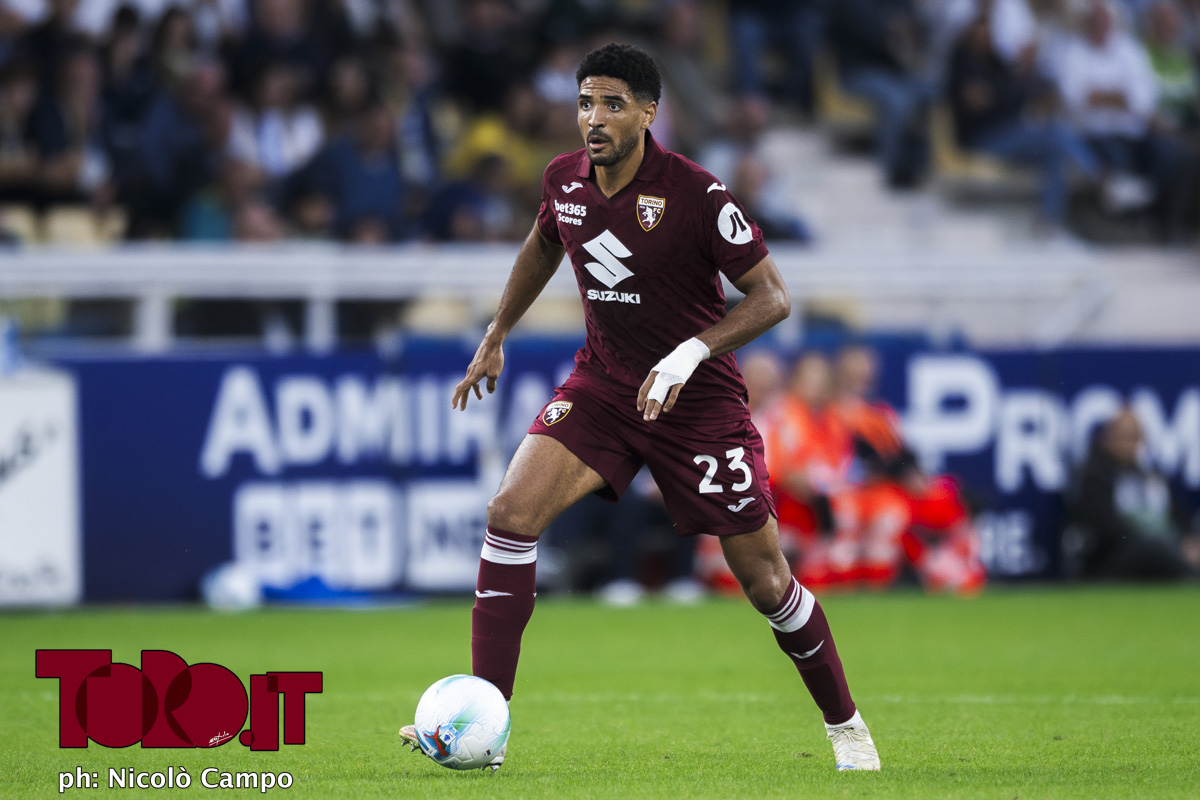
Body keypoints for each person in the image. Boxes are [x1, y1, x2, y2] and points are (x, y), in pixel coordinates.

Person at [400, 43, 880, 773]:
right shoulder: (563, 179)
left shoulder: (697, 193)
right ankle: (484, 726)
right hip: (604, 385)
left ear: (649, 112)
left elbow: (773, 297)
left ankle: (847, 727)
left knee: (766, 583)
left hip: (698, 404)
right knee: (510, 514)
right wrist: (496, 332)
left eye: (613, 104)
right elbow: (542, 246)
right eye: (585, 103)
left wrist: (690, 353)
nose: (594, 118)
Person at [1067, 407, 1200, 579]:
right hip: (1110, 558)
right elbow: (1109, 530)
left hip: (1160, 552)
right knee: (1151, 549)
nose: (1129, 445)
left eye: (1134, 438)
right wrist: (1152, 541)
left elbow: (1179, 515)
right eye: (1124, 437)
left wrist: (1188, 540)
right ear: (1108, 439)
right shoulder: (1096, 477)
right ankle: (1192, 578)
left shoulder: (1152, 477)